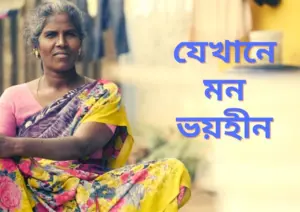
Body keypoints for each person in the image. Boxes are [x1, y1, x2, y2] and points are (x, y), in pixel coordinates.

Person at [0, 0, 191, 211]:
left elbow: (83, 145)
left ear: (80, 44)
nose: (61, 42)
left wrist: (17, 145)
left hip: (91, 194)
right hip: (30, 196)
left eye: (70, 34)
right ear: (36, 45)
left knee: (171, 171)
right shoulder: (13, 97)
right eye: (51, 34)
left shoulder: (103, 94)